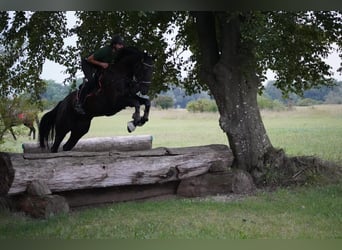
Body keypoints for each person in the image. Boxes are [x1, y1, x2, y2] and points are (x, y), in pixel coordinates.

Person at [74, 35, 125, 114]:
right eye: (120, 44)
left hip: (98, 65)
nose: (121, 46)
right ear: (114, 45)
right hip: (88, 63)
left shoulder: (117, 54)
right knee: (90, 81)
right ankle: (79, 103)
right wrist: (101, 64)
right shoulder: (105, 50)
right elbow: (89, 59)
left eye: (122, 45)